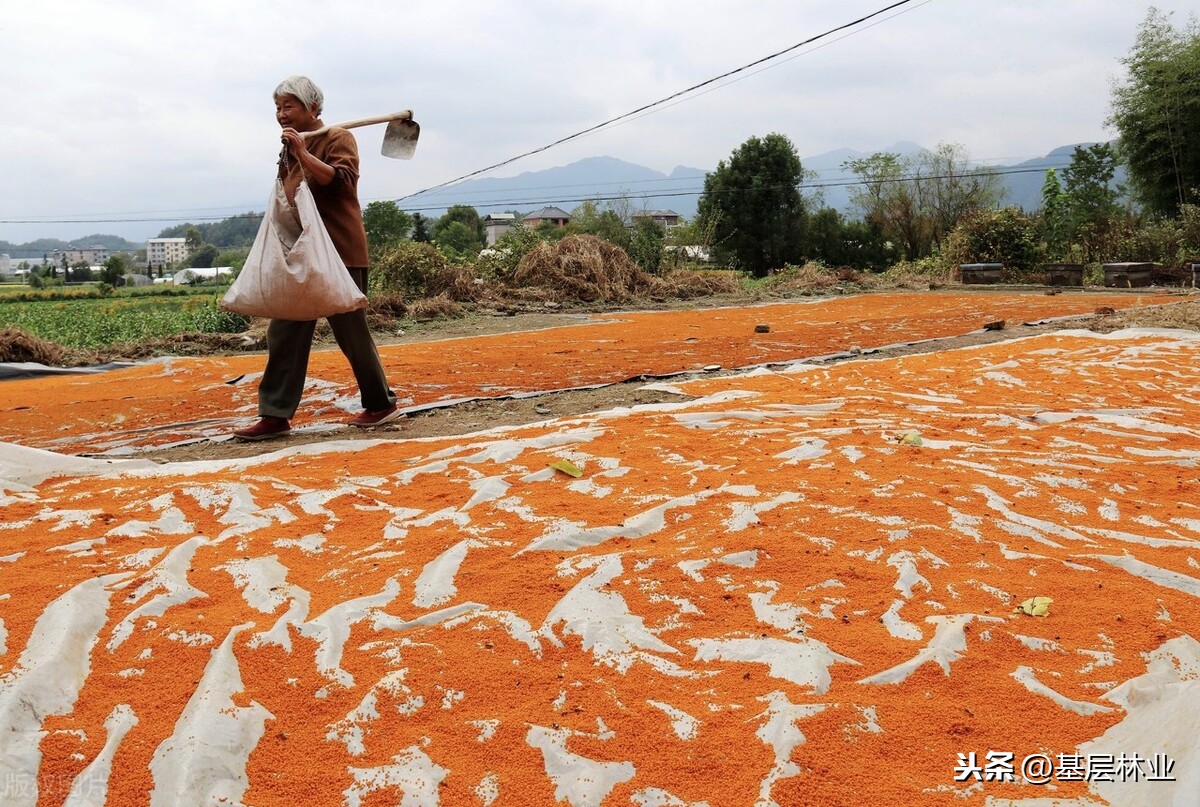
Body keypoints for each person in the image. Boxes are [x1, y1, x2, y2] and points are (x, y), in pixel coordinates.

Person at [233, 76, 400, 441]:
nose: (281, 114)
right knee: (285, 330)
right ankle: (275, 414)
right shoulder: (290, 145)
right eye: (277, 108)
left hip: (339, 251)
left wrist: (304, 154)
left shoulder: (338, 137)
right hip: (301, 251)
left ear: (312, 108)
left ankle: (380, 404)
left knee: (352, 331)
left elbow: (341, 182)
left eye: (288, 106)